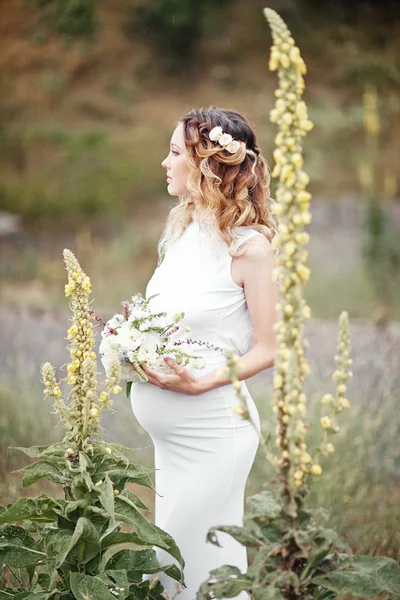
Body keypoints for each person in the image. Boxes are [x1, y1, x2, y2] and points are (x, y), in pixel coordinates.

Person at [130, 106, 279, 600]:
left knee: (199, 567)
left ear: (207, 167)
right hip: (173, 446)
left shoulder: (250, 248)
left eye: (175, 153)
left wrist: (203, 381)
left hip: (215, 434)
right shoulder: (184, 234)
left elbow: (268, 349)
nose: (165, 163)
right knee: (176, 568)